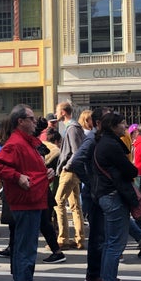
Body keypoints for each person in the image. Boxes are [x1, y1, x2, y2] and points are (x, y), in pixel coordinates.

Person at [0, 104, 55, 281]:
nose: (35, 122)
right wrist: (18, 177)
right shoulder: (17, 143)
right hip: (26, 203)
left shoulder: (25, 142)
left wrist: (45, 173)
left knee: (22, 250)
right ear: (21, 122)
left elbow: (29, 169)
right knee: (26, 251)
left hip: (30, 201)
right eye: (32, 119)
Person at [91, 112, 138, 281]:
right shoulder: (110, 145)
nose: (125, 126)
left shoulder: (105, 142)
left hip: (107, 194)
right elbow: (130, 169)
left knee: (112, 241)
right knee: (115, 243)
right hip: (112, 195)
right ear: (113, 126)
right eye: (122, 123)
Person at [55, 102, 86, 249]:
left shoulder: (72, 128)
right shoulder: (73, 127)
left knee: (58, 202)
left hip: (70, 171)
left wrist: (66, 166)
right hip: (74, 170)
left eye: (57, 111)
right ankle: (79, 238)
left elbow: (76, 152)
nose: (55, 114)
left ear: (62, 112)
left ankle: (63, 239)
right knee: (75, 206)